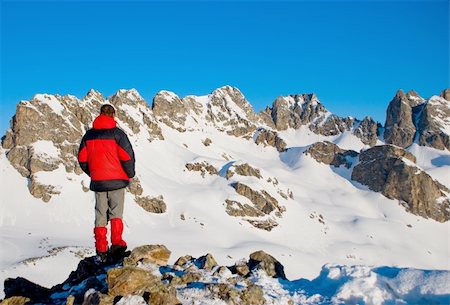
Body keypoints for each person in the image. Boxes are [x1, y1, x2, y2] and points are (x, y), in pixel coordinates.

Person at [78, 104, 135, 262]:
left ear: (100, 114)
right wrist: (129, 173)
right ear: (113, 115)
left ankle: (101, 250)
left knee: (100, 215)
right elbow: (127, 156)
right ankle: (117, 247)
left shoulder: (89, 136)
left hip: (99, 182)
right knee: (116, 214)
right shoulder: (118, 134)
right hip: (117, 181)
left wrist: (94, 173)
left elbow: (82, 159)